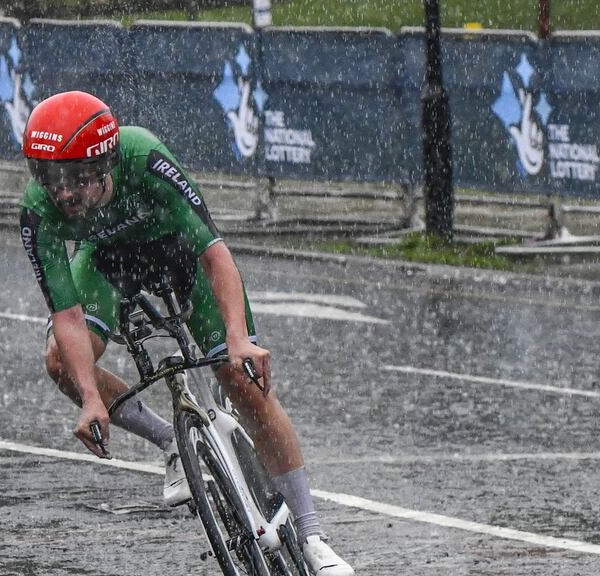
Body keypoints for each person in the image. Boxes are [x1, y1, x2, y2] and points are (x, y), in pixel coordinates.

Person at [18, 90, 353, 576]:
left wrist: (238, 339)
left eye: (76, 178)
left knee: (243, 381)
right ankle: (172, 443)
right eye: (50, 178)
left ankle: (313, 534)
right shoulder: (39, 210)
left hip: (180, 254)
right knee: (59, 361)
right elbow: (67, 315)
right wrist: (90, 396)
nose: (63, 193)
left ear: (106, 162)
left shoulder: (143, 158)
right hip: (106, 263)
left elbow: (215, 255)